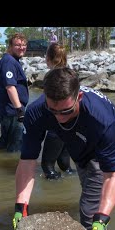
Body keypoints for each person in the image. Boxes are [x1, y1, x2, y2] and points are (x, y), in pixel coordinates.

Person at [12, 67, 115, 230]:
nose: (60, 117)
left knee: (91, 211)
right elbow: (27, 162)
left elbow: (112, 176)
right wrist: (20, 207)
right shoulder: (36, 113)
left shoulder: (103, 121)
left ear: (79, 97)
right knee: (88, 185)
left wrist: (103, 218)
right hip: (78, 141)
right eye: (53, 111)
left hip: (105, 144)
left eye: (66, 110)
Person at [41, 43, 75, 180]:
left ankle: (55, 196)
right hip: (71, 125)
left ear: (48, 58)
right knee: (64, 164)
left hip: (56, 127)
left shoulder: (51, 77)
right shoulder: (71, 73)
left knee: (47, 166)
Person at [0, 33, 29, 152]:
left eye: (24, 45)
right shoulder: (9, 61)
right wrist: (19, 110)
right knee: (15, 145)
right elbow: (10, 87)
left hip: (8, 109)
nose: (22, 47)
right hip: (12, 110)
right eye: (18, 45)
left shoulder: (11, 60)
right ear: (10, 46)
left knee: (6, 141)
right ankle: (11, 168)